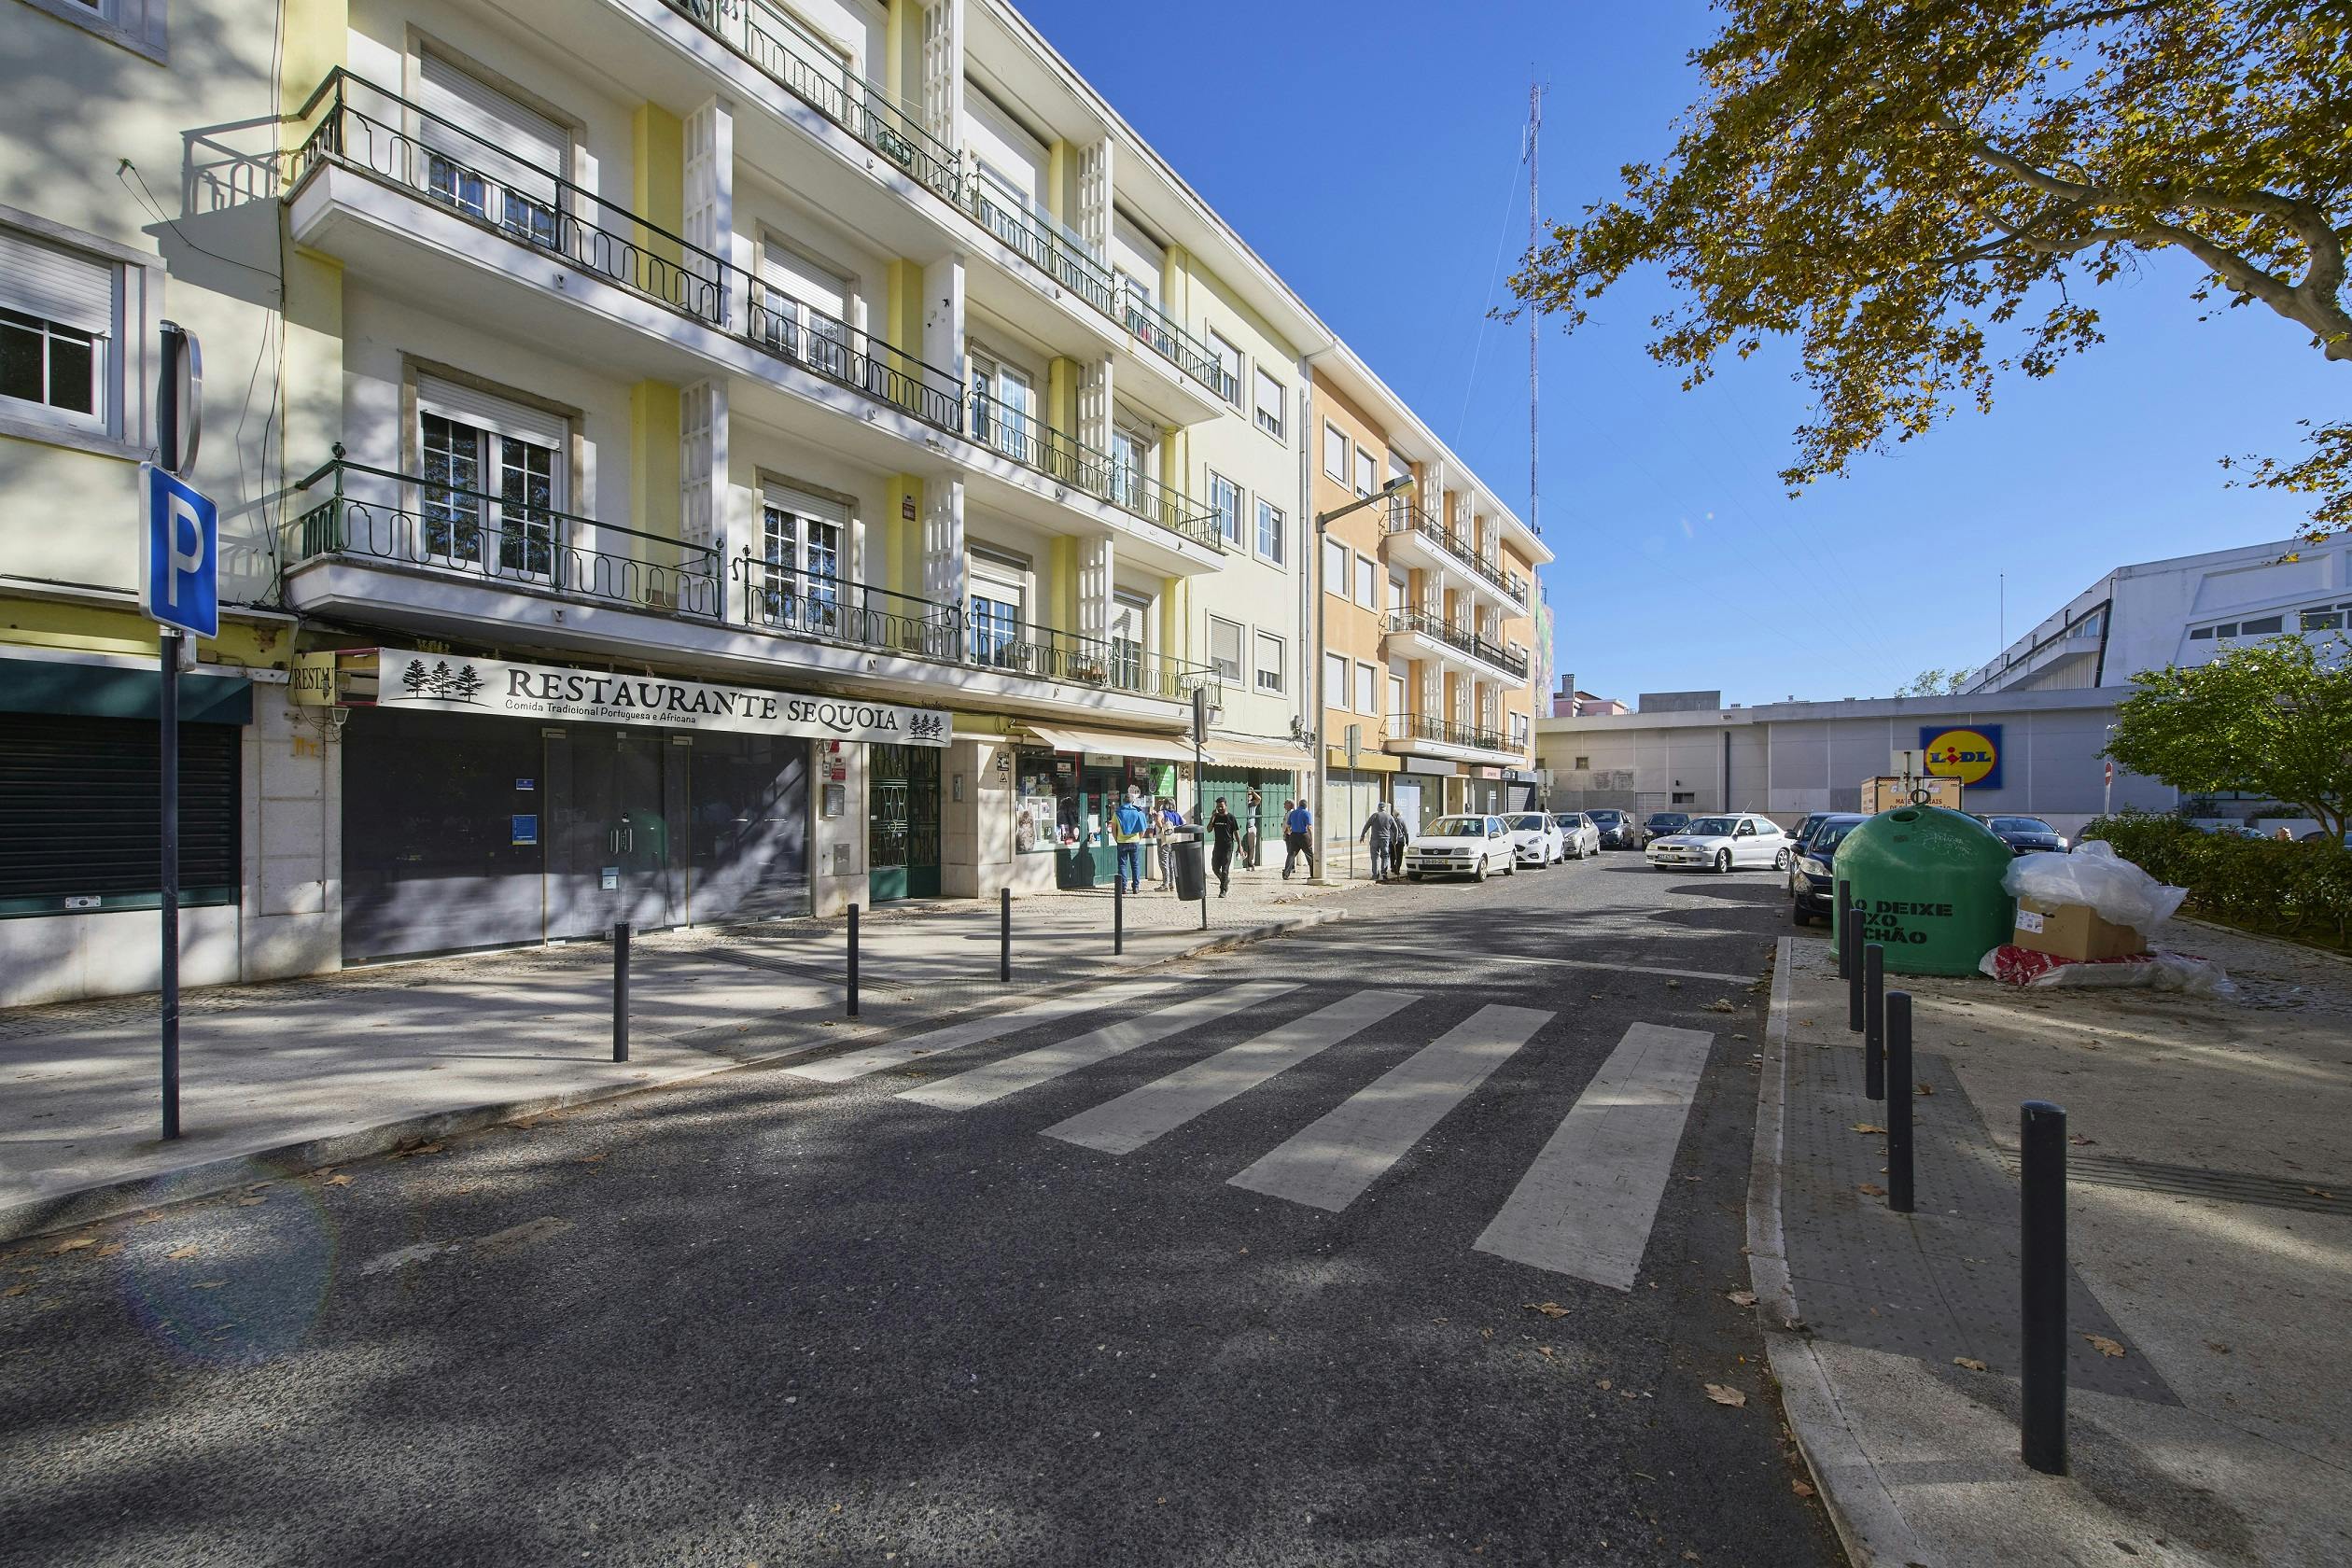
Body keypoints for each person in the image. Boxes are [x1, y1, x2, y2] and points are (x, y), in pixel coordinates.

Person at [1113, 792, 1149, 893]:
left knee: (1122, 865)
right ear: (1133, 801)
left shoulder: (1117, 813)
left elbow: (1113, 829)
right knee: (1135, 865)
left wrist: (1117, 839)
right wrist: (1139, 838)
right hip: (1135, 841)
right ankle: (1136, 887)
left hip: (1121, 841)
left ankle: (1123, 887)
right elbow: (1143, 829)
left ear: (1124, 801)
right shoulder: (1138, 812)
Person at [1207, 797, 1239, 897]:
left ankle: (1223, 890)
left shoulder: (1231, 817)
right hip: (1217, 846)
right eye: (1218, 807)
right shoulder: (1216, 817)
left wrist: (1240, 846)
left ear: (1226, 805)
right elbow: (1209, 829)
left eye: (1221, 806)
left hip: (1228, 847)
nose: (1220, 808)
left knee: (1225, 870)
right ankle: (1225, 880)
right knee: (1215, 868)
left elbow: (1236, 833)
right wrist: (1212, 817)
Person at [1360, 801, 1396, 884]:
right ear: (1385, 808)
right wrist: (1395, 839)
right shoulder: (1389, 816)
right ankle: (1384, 873)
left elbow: (1367, 825)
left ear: (1378, 808)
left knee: (1374, 857)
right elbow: (1395, 829)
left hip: (1375, 839)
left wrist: (1362, 835)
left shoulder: (1375, 815)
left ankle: (1375, 874)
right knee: (1385, 856)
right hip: (1385, 839)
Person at [1282, 798, 1316, 880]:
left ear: (1299, 805)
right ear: (1306, 806)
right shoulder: (1307, 813)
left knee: (1291, 855)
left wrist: (1288, 833)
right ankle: (1313, 873)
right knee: (1310, 855)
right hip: (1304, 836)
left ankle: (1286, 874)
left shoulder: (1293, 813)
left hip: (1294, 835)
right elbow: (1309, 827)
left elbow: (1288, 826)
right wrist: (1311, 838)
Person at [1159, 798, 1185, 889]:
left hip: (1164, 840)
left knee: (1163, 862)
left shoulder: (1162, 813)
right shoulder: (1177, 814)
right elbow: (1184, 823)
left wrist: (1163, 829)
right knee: (1171, 862)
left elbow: (1158, 820)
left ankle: (1165, 884)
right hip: (1174, 840)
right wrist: (1173, 830)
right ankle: (1172, 883)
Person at [1242, 789, 1264, 869]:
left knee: (1252, 846)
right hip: (1242, 828)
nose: (1249, 796)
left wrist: (1253, 792)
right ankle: (1242, 861)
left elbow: (1259, 799)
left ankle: (1250, 862)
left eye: (1250, 795)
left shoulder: (1252, 804)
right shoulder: (1241, 803)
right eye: (1247, 794)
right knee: (1242, 845)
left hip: (1251, 827)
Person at [1389, 804, 1409, 880]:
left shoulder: (1391, 821)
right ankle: (1397, 869)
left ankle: (1392, 866)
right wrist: (1407, 840)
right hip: (1400, 840)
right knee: (1399, 856)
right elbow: (1406, 831)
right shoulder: (1402, 821)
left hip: (1392, 840)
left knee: (1392, 854)